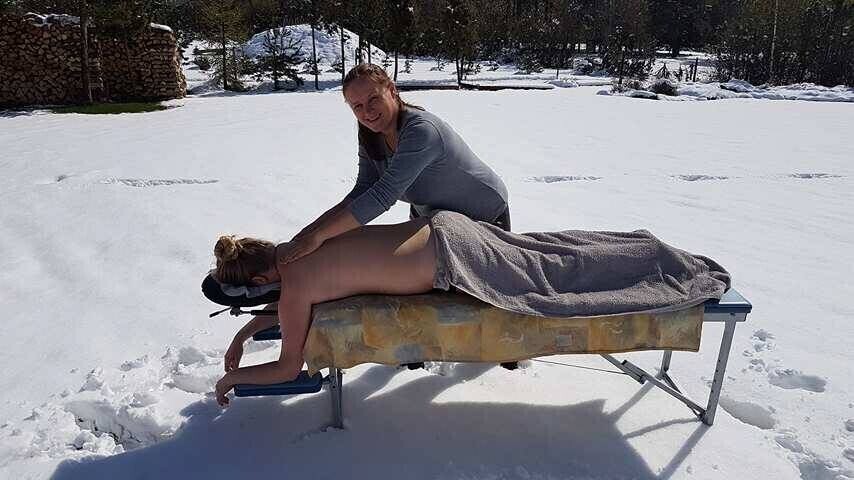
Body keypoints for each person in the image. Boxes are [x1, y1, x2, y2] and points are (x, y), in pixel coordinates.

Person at [211, 212, 730, 406]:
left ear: (259, 281)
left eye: (253, 295)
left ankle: (654, 262)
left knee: (555, 281)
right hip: (445, 228)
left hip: (454, 259)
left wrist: (233, 379)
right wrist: (243, 334)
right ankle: (643, 249)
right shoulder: (300, 249)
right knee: (549, 254)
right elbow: (293, 308)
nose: (258, 302)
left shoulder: (295, 288)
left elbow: (288, 366)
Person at [277, 63, 510, 265]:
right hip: (433, 214)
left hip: (483, 214)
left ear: (392, 90)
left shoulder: (421, 130)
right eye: (357, 106)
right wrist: (309, 233)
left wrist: (319, 236)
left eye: (373, 99)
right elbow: (364, 189)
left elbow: (383, 195)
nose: (367, 112)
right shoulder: (371, 133)